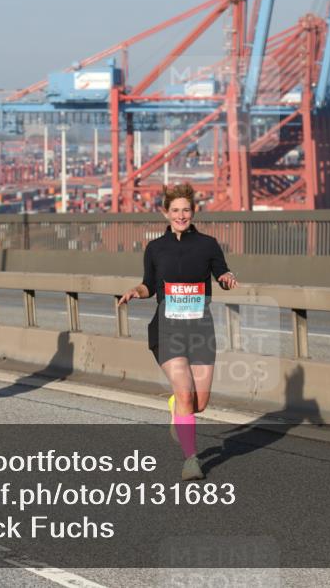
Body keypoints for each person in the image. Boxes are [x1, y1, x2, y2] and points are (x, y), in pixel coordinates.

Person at [119, 184, 238, 480]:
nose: (181, 215)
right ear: (165, 213)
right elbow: (149, 284)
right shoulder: (155, 248)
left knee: (199, 403)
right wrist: (136, 290)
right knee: (185, 392)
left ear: (193, 212)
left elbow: (222, 274)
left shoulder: (208, 245)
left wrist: (226, 277)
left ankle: (177, 407)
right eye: (175, 210)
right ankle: (191, 460)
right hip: (167, 328)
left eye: (186, 210)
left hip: (200, 329)